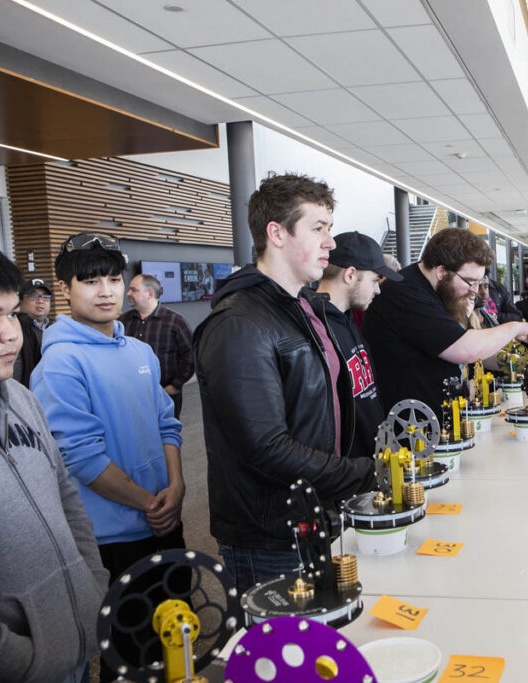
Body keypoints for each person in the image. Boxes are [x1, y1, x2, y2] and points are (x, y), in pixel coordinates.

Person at [193, 174, 376, 595]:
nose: (330, 243)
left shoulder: (305, 309)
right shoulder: (239, 323)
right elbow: (265, 447)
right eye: (318, 228)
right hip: (270, 533)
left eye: (329, 229)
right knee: (279, 659)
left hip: (314, 512)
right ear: (276, 233)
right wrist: (358, 473)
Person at [29, 233, 186, 682]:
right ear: (65, 289)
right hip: (113, 539)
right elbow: (80, 456)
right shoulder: (60, 363)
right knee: (131, 653)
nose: (106, 291)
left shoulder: (139, 351)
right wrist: (150, 503)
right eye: (90, 281)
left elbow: (166, 424)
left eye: (114, 279)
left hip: (164, 517)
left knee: (178, 633)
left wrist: (176, 487)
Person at [0, 240, 108, 683]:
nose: (12, 333)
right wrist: (20, 660)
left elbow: (65, 495)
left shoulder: (20, 399)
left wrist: (92, 584)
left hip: (72, 642)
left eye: (12, 314)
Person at [363, 228, 528, 415]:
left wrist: (515, 363)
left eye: (479, 282)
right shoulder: (405, 293)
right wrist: (515, 328)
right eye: (470, 281)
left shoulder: (443, 291)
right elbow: (464, 349)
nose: (474, 290)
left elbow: (469, 346)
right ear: (441, 271)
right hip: (412, 428)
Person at [317, 231, 401, 460]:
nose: (378, 290)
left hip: (370, 466)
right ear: (351, 275)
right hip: (347, 476)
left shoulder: (347, 319)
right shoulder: (316, 329)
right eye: (375, 280)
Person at [119, 273, 195, 419]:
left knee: (166, 437)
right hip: (131, 397)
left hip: (165, 395)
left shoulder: (175, 322)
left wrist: (176, 385)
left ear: (150, 293)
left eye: (133, 290)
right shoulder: (123, 321)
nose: (128, 293)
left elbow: (190, 355)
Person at [13, 278, 54, 387]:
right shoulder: (14, 329)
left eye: (45, 297)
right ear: (20, 301)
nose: (40, 301)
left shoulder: (54, 329)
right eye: (33, 296)